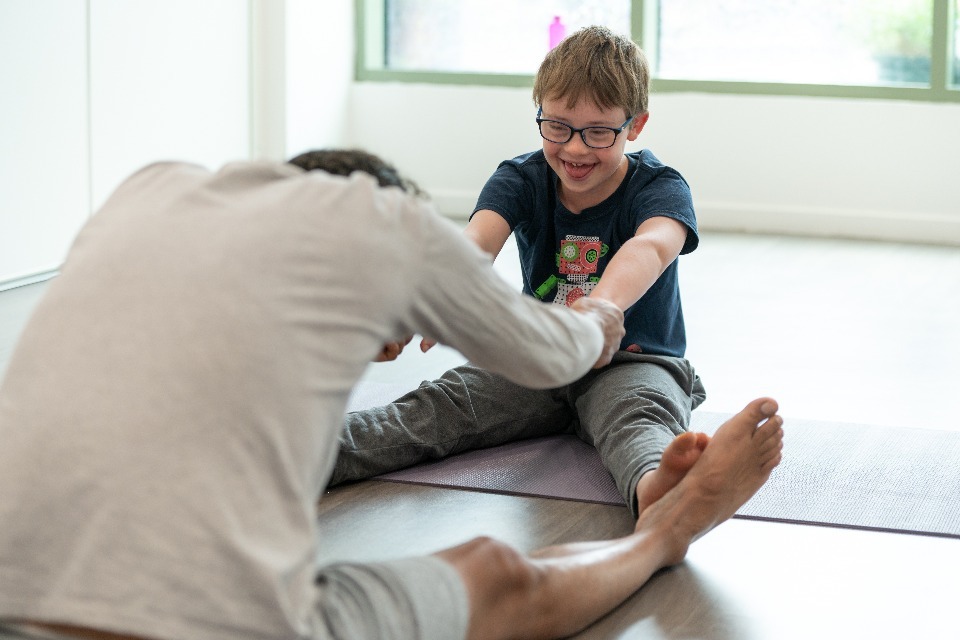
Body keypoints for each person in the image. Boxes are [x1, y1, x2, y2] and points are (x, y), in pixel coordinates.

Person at [0, 149, 782, 640]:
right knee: (496, 571)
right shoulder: (392, 223)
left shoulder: (151, 189)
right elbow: (559, 346)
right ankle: (664, 535)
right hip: (221, 622)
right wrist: (598, 318)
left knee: (630, 415)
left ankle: (651, 482)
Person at [332, 25, 705, 520]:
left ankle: (662, 493)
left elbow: (651, 248)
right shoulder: (520, 177)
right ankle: (303, 453)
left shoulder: (660, 187)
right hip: (539, 351)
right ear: (540, 114)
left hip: (632, 362)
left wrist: (599, 311)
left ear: (635, 126)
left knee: (638, 421)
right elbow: (474, 246)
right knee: (439, 406)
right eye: (557, 127)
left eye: (598, 132)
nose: (575, 149)